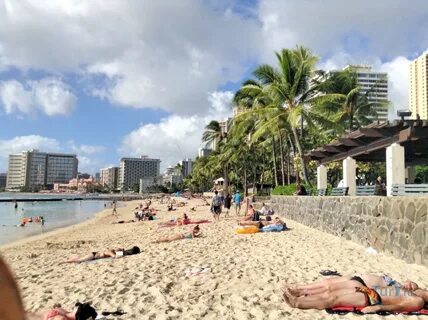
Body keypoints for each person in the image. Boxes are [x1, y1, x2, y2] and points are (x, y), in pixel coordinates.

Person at [282, 278, 427, 314]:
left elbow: (399, 306)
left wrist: (378, 308)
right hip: (370, 290)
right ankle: (301, 295)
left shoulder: (418, 301)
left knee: (334, 299)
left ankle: (298, 303)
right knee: (332, 292)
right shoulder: (416, 291)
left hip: (374, 298)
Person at [60, 246, 140, 264]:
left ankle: (71, 258)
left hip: (95, 255)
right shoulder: (110, 251)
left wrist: (122, 251)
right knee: (78, 260)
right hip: (93, 256)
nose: (120, 250)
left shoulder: (113, 250)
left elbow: (118, 252)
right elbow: (114, 256)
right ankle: (65, 262)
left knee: (80, 258)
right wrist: (120, 255)